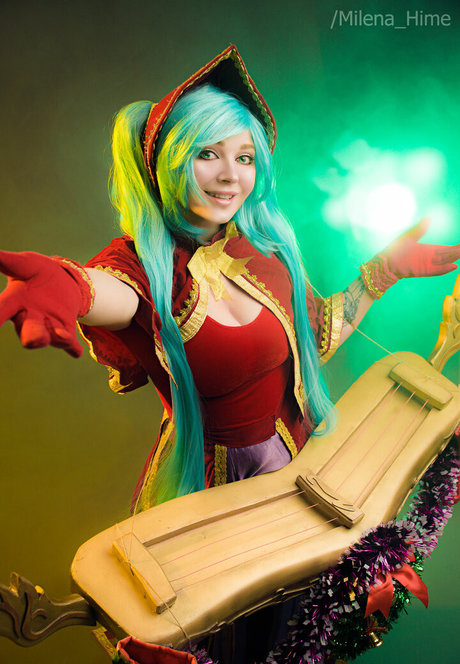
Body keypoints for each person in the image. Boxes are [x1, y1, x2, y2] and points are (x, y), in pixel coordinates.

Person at [0, 45, 459, 664]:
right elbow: (105, 289)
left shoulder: (262, 249)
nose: (229, 176)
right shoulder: (146, 268)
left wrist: (384, 271)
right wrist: (66, 286)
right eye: (206, 154)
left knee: (302, 638)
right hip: (211, 497)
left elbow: (314, 338)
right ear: (168, 160)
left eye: (244, 157)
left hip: (303, 474)